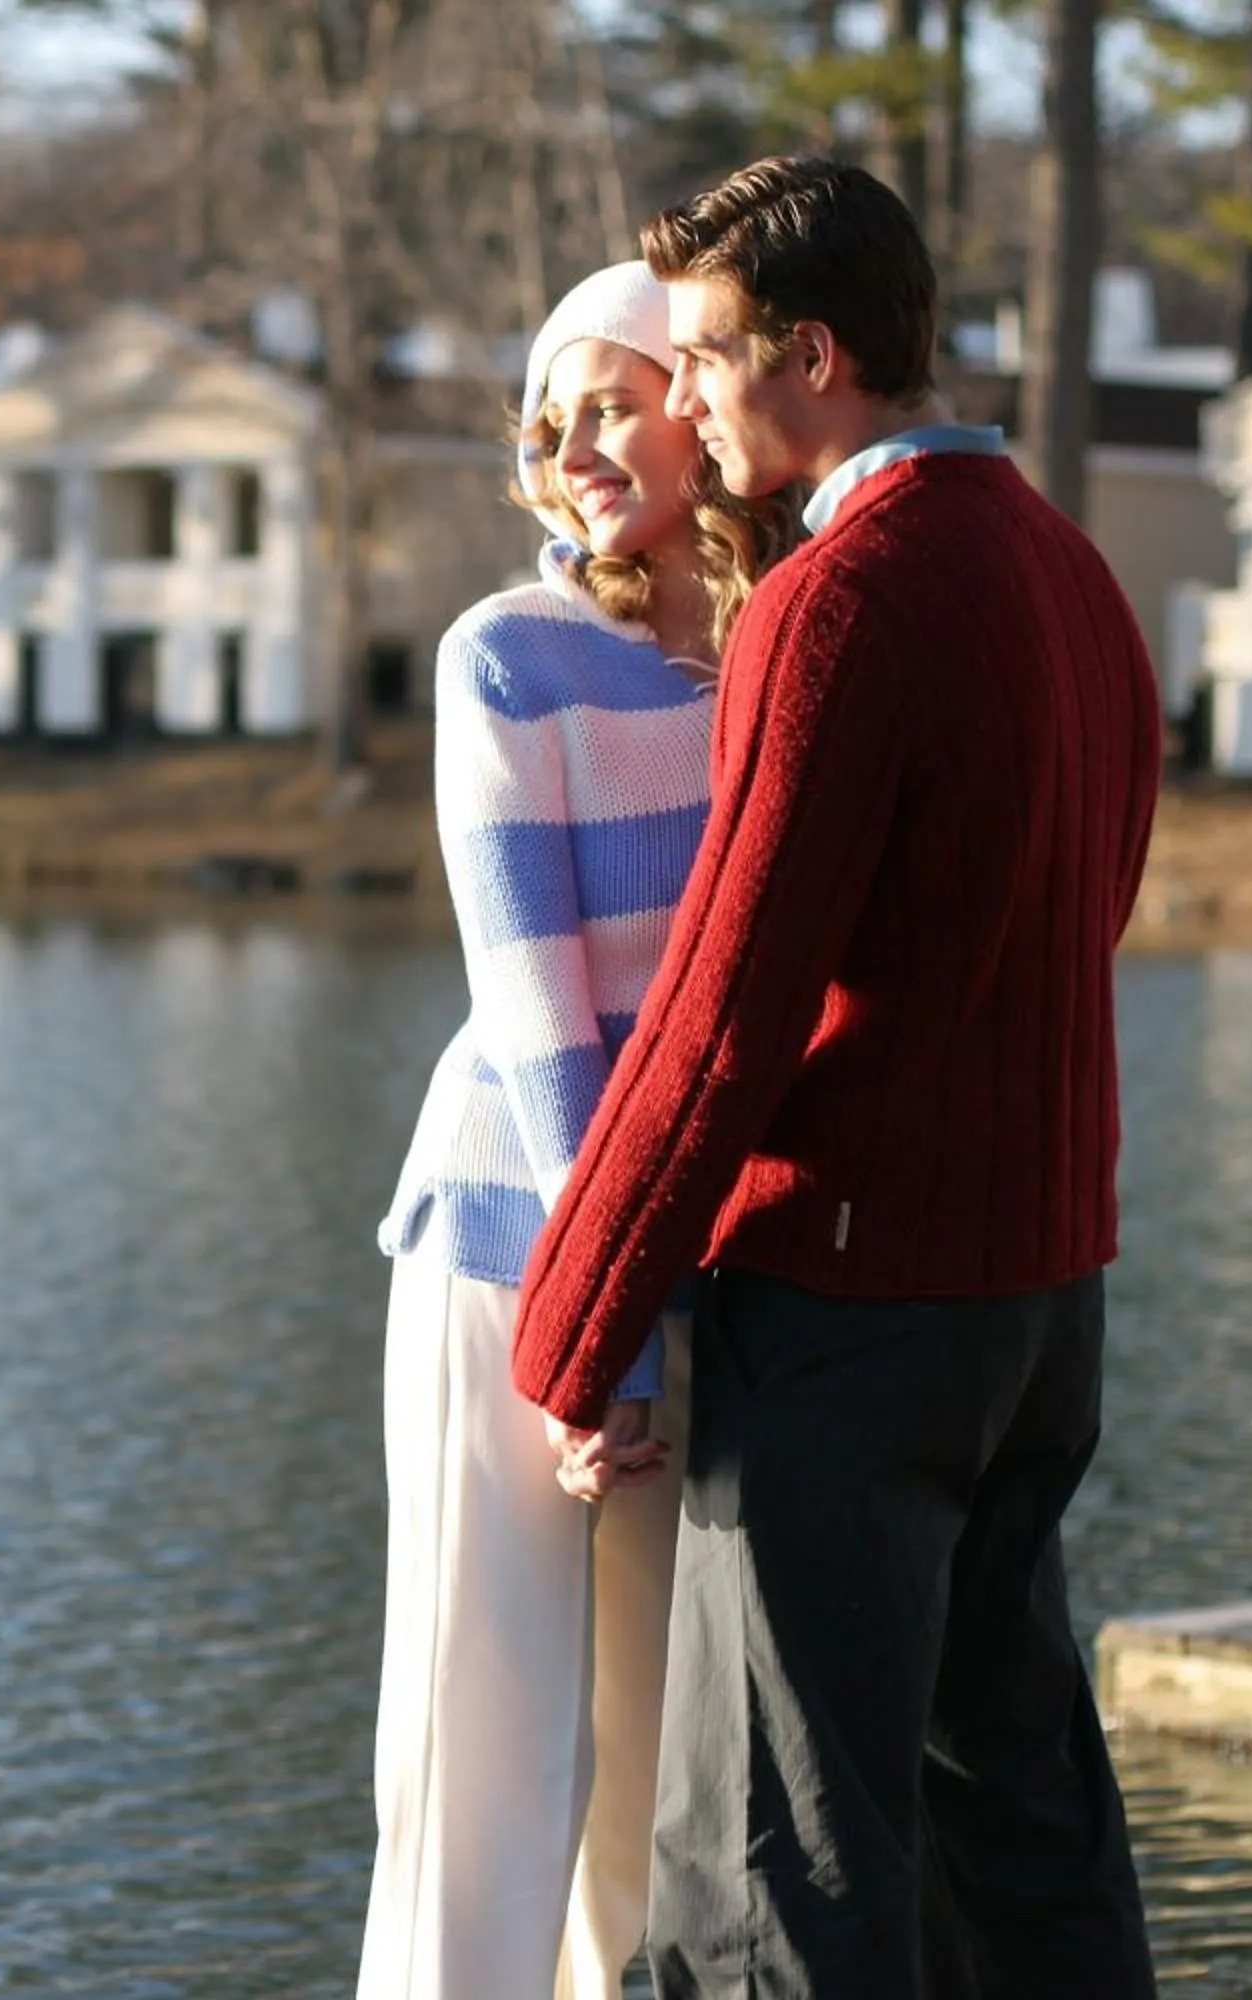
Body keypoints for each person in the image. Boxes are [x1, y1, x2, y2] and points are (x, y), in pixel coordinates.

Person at [506, 158, 1162, 1998]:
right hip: (1042, 1306)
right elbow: (1084, 915)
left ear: (812, 354)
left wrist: (569, 1336)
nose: (687, 398)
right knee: (1018, 1837)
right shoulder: (1073, 573)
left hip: (859, 1315)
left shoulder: (837, 604)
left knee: (770, 1882)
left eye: (706, 358)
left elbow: (724, 1015)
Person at [359, 260, 801, 2000]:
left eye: (608, 400)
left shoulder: (779, 650)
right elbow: (539, 1002)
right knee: (484, 1728)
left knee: (655, 1746)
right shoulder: (508, 655)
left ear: (699, 407)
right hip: (515, 1249)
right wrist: (595, 1307)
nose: (568, 444)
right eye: (547, 419)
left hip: (690, 1256)